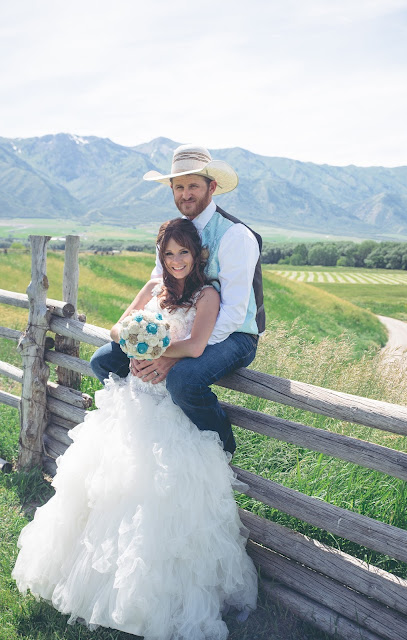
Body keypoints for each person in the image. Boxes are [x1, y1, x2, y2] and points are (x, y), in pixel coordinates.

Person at [13, 218, 258, 640]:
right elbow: (116, 328)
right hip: (137, 396)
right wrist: (135, 343)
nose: (176, 261)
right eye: (169, 254)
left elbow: (197, 346)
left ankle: (159, 596)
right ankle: (94, 582)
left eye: (184, 253)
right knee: (111, 485)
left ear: (196, 255)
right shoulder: (154, 289)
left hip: (167, 407)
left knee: (159, 496)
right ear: (160, 256)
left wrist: (160, 352)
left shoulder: (208, 294)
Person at [90, 144, 265, 456]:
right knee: (104, 360)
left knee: (184, 380)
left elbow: (234, 313)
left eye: (193, 186)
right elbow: (159, 286)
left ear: (212, 187)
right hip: (179, 327)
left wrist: (172, 353)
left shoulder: (235, 236)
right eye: (179, 186)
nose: (186, 194)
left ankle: (221, 451)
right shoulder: (174, 232)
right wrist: (144, 346)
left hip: (235, 333)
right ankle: (148, 428)